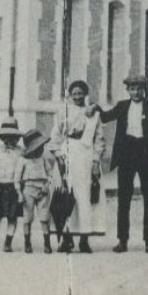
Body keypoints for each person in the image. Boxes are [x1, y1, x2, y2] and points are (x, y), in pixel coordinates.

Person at [94, 73, 148, 254]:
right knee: (123, 199)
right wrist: (95, 107)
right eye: (132, 89)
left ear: (144, 90)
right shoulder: (122, 106)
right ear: (127, 90)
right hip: (126, 155)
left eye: (139, 89)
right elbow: (104, 117)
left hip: (147, 155)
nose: (136, 92)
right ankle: (122, 240)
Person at [52, 80, 106, 253]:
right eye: (74, 93)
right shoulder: (63, 111)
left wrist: (96, 162)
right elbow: (56, 134)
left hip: (85, 156)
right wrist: (57, 154)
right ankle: (66, 238)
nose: (77, 96)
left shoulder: (92, 113)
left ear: (85, 94)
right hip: (67, 153)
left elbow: (99, 140)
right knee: (65, 196)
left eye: (80, 93)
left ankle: (84, 238)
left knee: (84, 196)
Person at [0, 117, 24, 251]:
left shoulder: (21, 151)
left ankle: (8, 243)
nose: (9, 139)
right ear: (2, 137)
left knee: (12, 217)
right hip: (0, 187)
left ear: (17, 137)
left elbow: (23, 169)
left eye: (12, 136)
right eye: (6, 136)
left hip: (14, 187)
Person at [18, 127, 58, 253]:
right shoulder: (23, 160)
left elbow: (51, 174)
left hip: (43, 190)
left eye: (42, 146)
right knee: (27, 218)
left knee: (44, 217)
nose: (41, 149)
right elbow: (16, 179)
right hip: (28, 190)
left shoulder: (44, 159)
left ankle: (47, 243)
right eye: (38, 147)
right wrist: (19, 193)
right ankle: (27, 243)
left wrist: (47, 184)